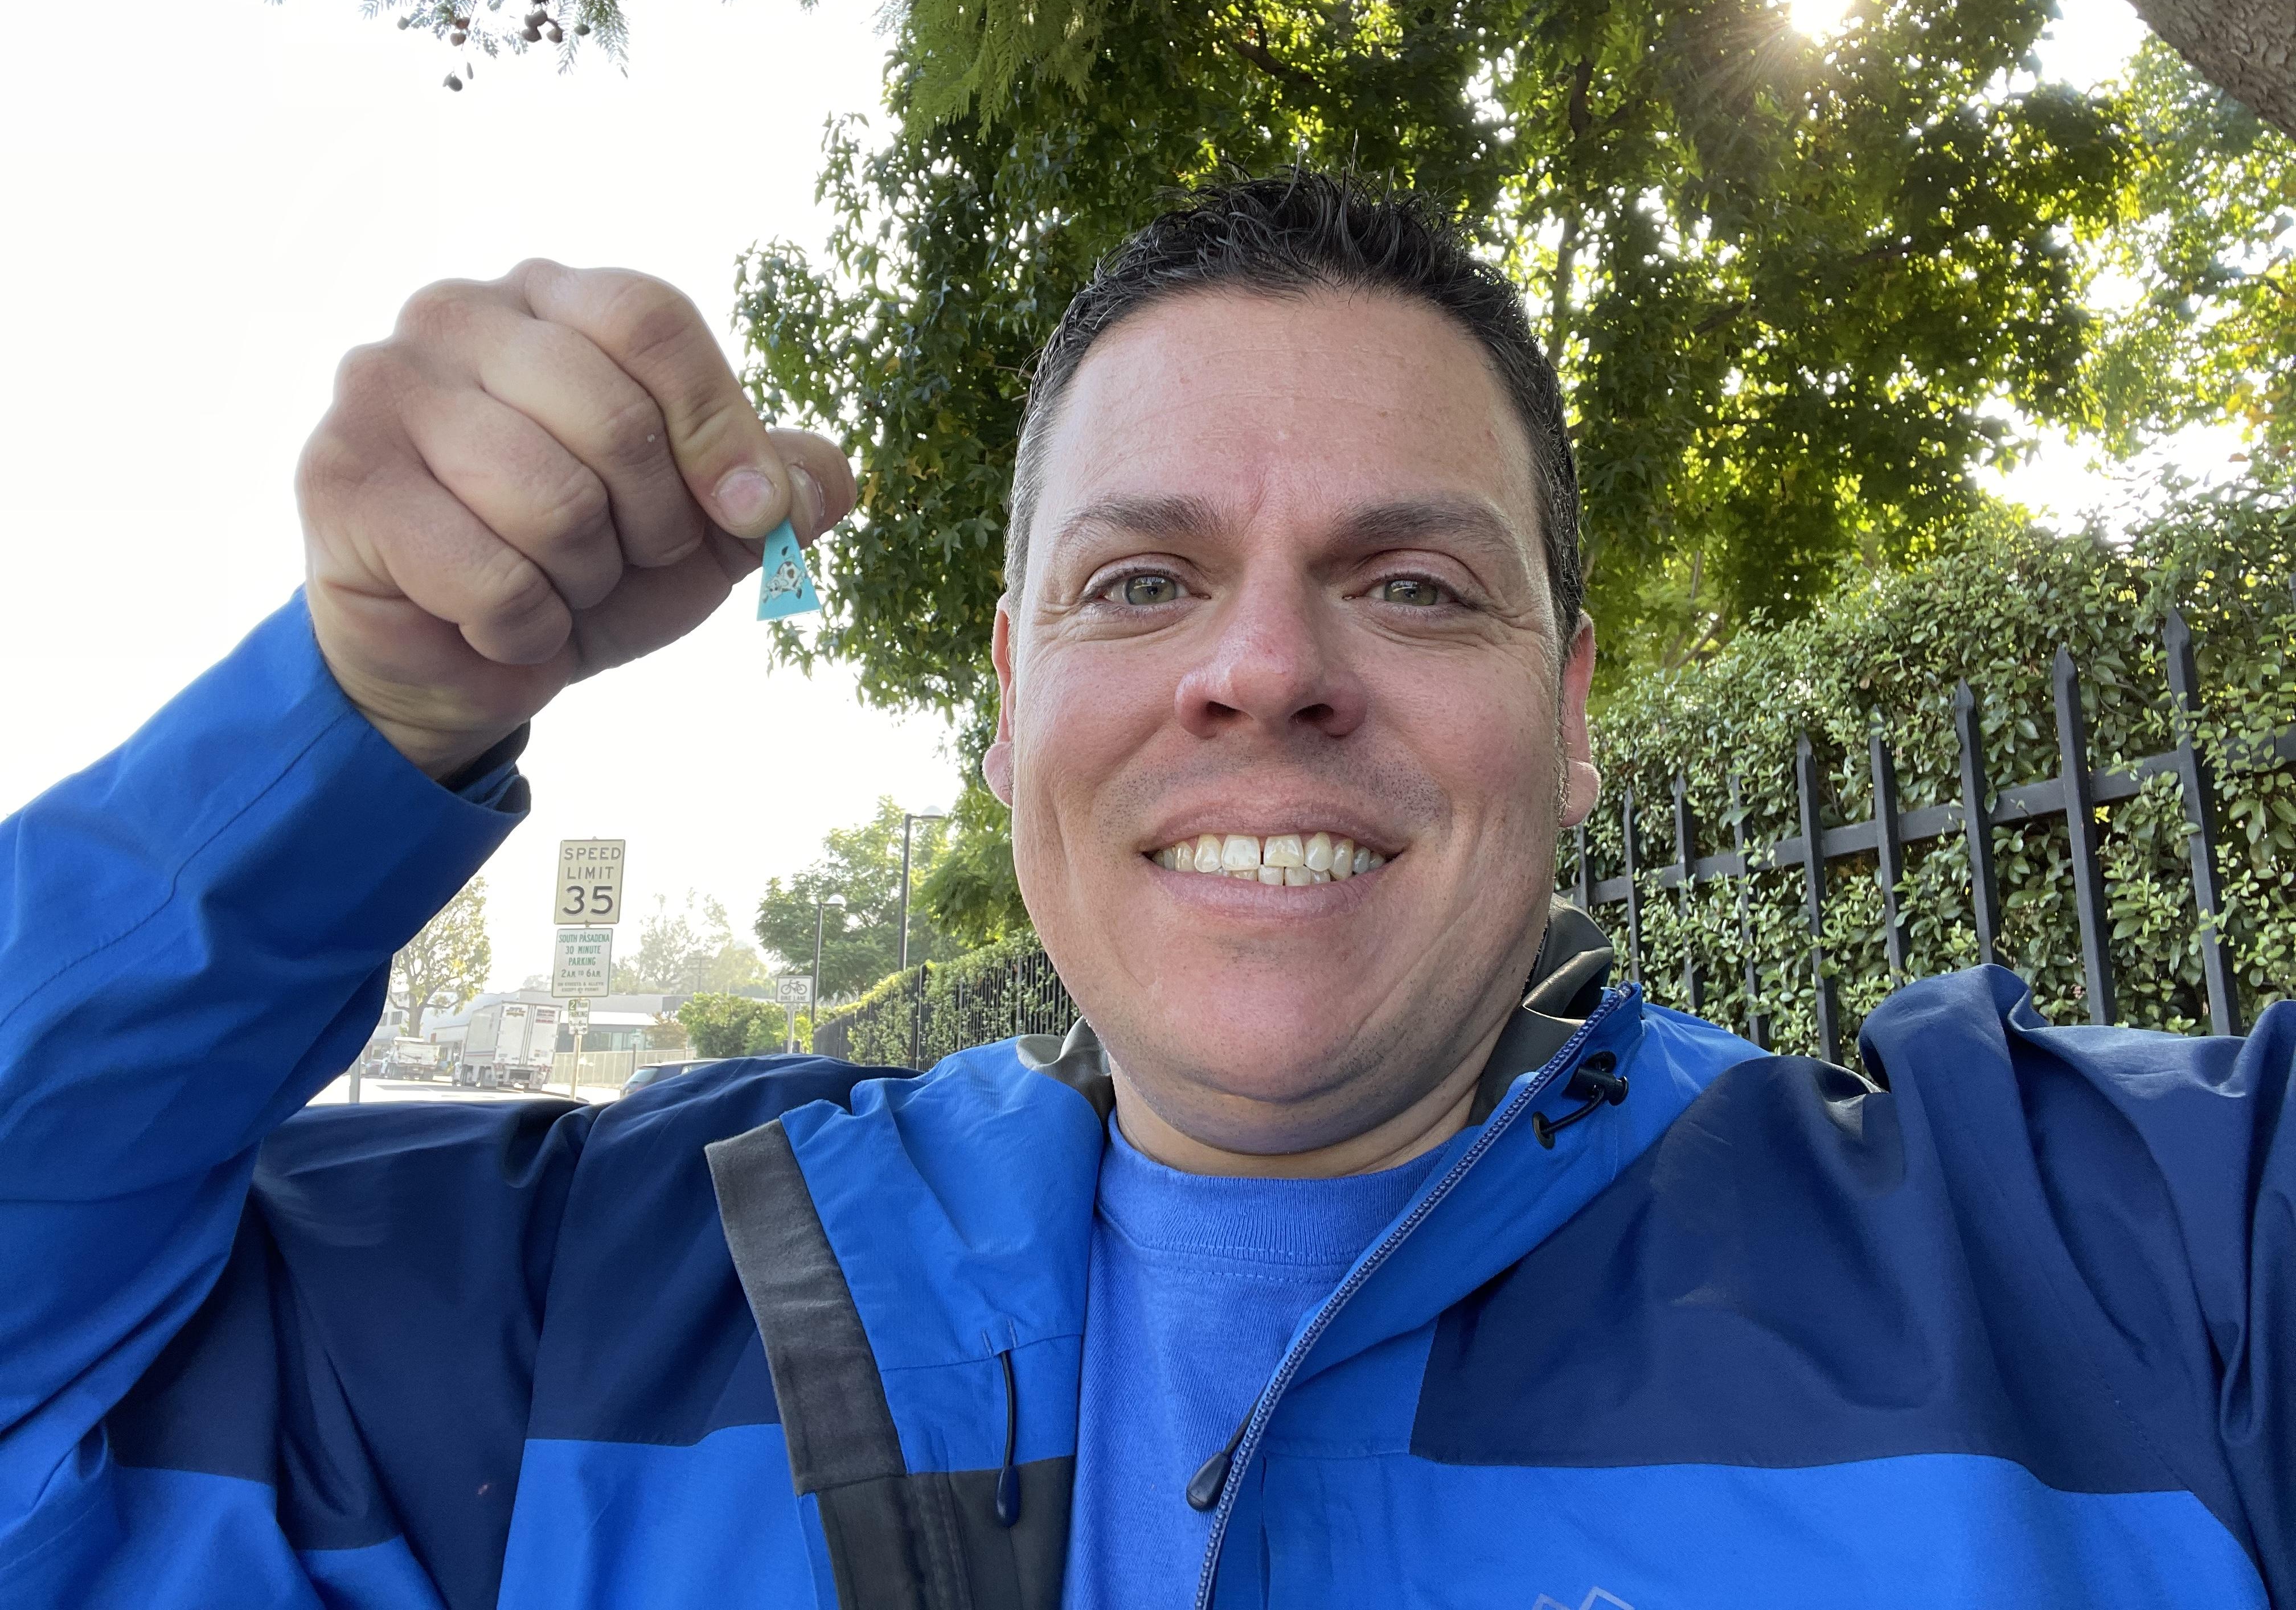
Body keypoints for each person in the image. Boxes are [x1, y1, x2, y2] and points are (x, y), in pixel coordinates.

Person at [0, 174, 2288, 1610]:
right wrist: (360, 714)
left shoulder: (2121, 1270)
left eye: (1411, 582)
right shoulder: (575, 1312)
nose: (1266, 668)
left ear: (1574, 712)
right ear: (1013, 709)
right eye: (1141, 580)